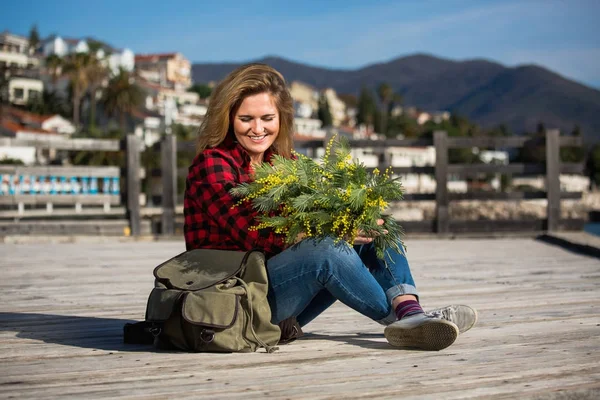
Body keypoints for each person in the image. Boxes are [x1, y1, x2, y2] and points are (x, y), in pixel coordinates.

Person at [184, 63, 477, 351]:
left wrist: (354, 221)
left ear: (281, 119)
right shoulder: (213, 163)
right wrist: (340, 232)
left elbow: (320, 215)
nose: (257, 128)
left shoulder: (284, 163)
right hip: (237, 301)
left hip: (282, 298)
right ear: (229, 118)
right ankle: (411, 321)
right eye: (246, 118)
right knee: (327, 250)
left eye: (267, 118)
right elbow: (255, 234)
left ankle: (410, 312)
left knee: (376, 228)